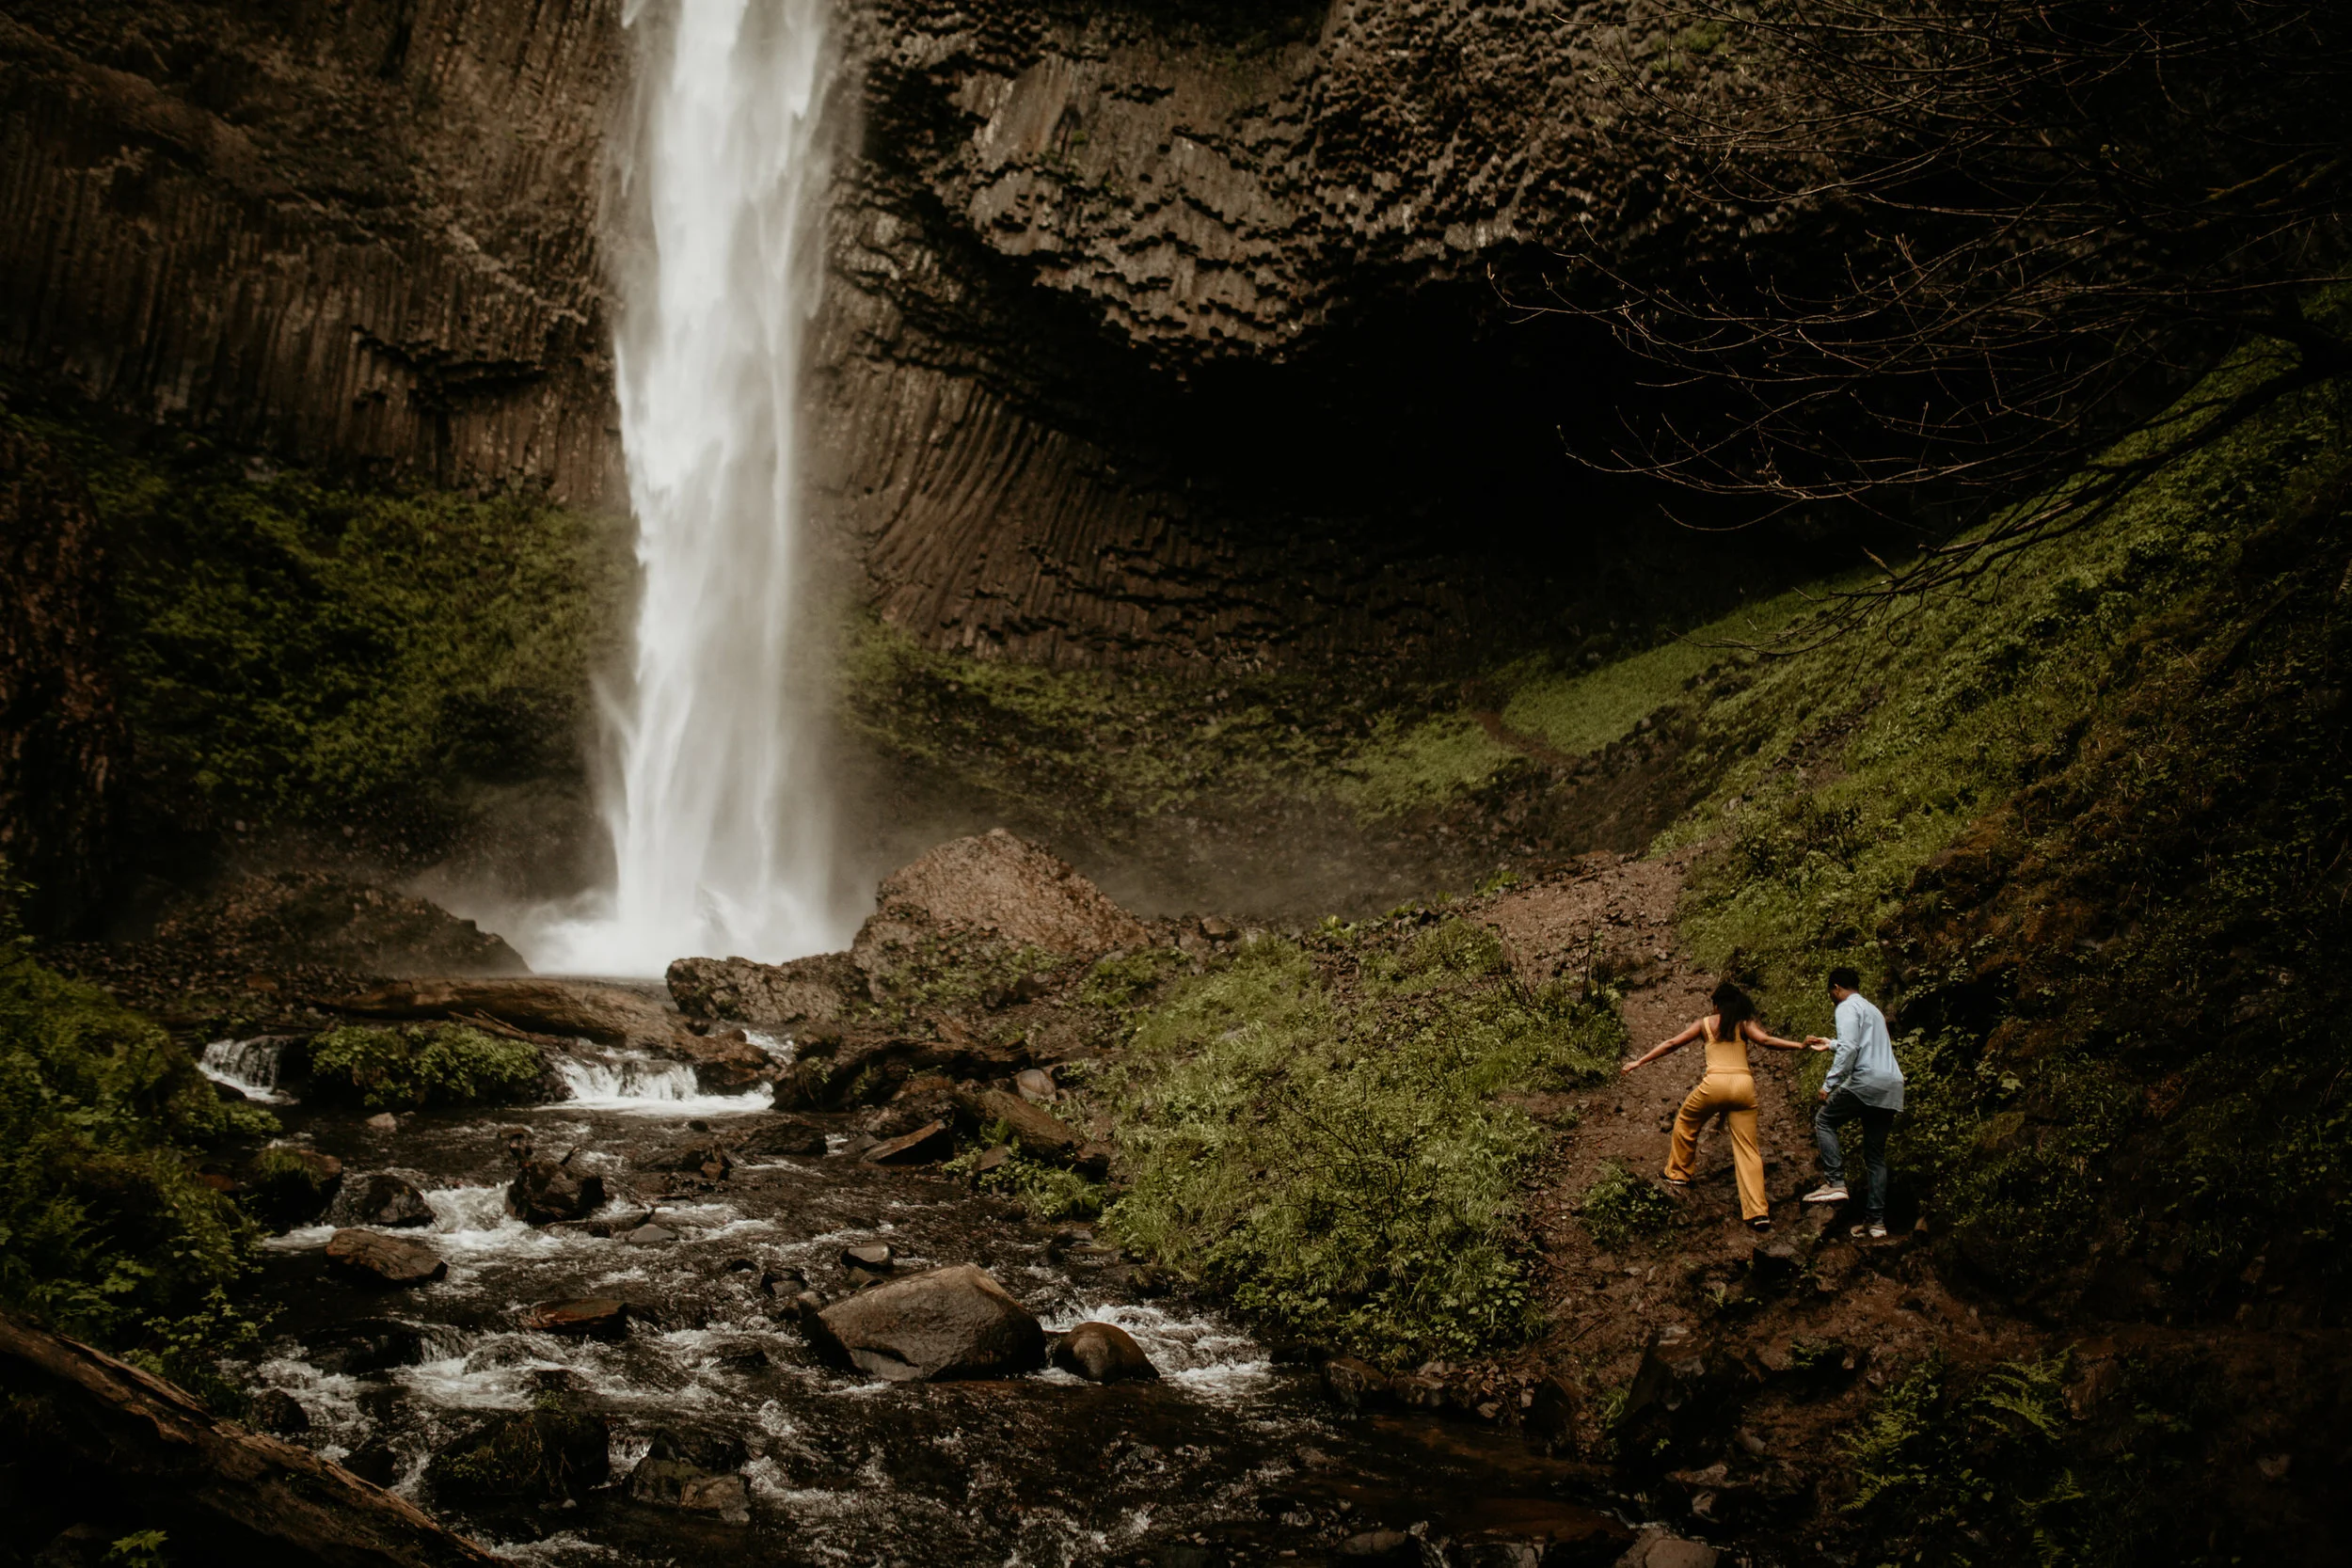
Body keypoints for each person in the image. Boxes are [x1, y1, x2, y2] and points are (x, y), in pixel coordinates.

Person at [1622, 981, 1821, 1230]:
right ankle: (1757, 1213)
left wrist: (1639, 1061)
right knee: (1748, 1148)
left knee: (1686, 1120)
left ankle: (1679, 1174)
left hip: (1714, 1085)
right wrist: (1800, 1045)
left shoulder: (1705, 1024)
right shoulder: (1745, 1024)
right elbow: (1767, 1040)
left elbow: (1672, 1044)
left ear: (1716, 1005)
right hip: (1744, 1087)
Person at [1803, 966, 1905, 1239]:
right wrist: (1831, 1043)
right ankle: (1876, 1223)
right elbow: (1861, 1043)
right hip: (1892, 1085)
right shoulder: (1872, 1009)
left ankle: (1835, 1182)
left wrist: (1829, 1084)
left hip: (1867, 1081)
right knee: (1875, 1156)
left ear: (1836, 988)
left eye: (1830, 993)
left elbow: (1851, 1049)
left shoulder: (1845, 1007)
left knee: (1825, 1120)